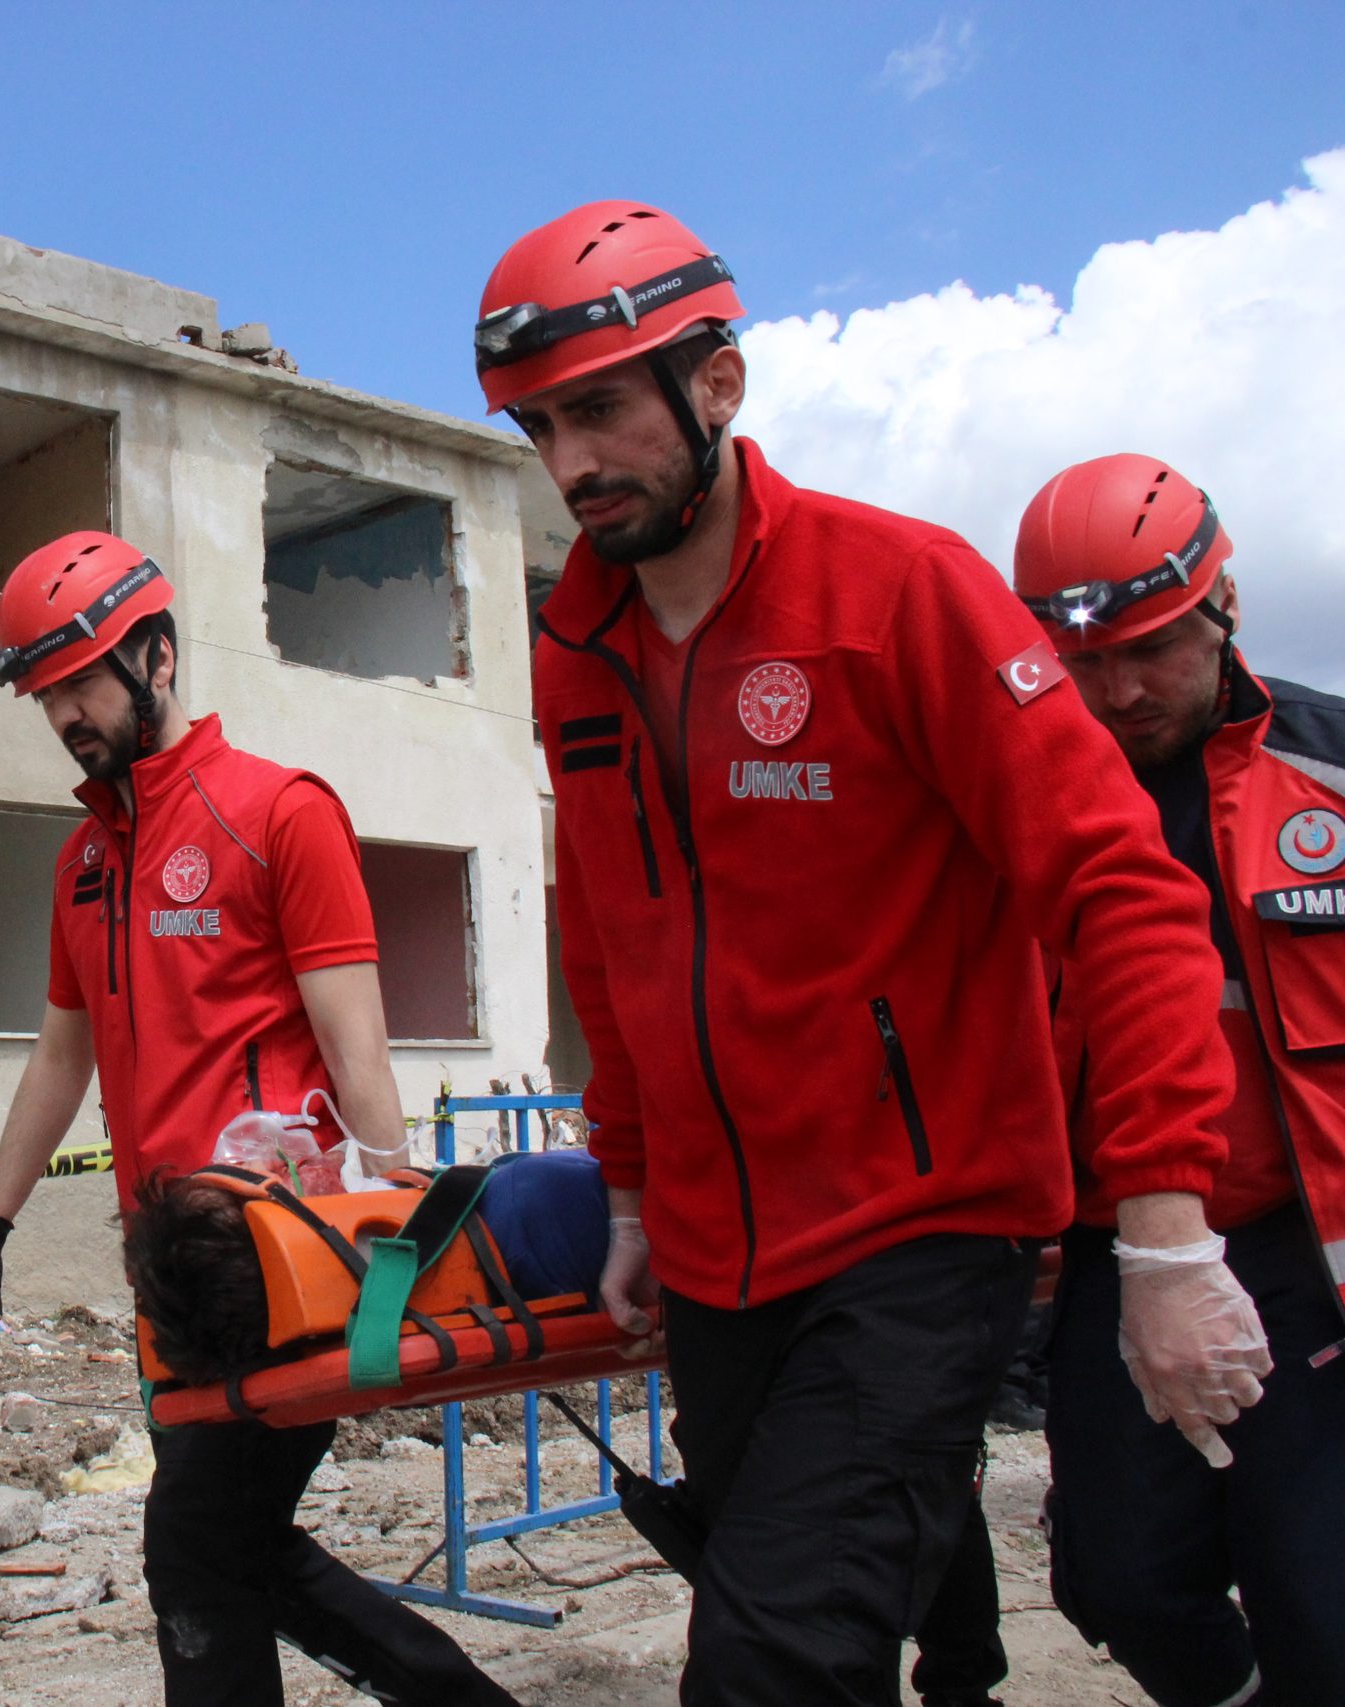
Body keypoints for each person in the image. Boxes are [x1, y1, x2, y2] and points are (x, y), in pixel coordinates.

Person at [482, 201, 1265, 1706]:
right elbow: (609, 934)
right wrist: (632, 1186)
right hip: (715, 1256)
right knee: (788, 1582)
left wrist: (1167, 1237)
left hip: (923, 1228)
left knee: (770, 1656)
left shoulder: (900, 593)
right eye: (539, 426)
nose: (571, 461)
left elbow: (1126, 890)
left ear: (716, 383)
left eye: (597, 409)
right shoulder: (573, 654)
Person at [0, 530, 520, 1707]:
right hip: (174, 1281)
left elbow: (360, 1055)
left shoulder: (279, 813)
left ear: (156, 657)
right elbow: (62, 1057)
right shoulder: (81, 866)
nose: (63, 714)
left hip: (287, 1259)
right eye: (44, 694)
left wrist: (396, 1245)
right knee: (234, 1546)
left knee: (193, 1550)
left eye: (80, 681)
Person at [1011, 455, 1345, 1707]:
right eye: (1080, 662)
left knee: (1319, 1598)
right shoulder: (1016, 807)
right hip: (1107, 1259)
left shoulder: (1331, 772)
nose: (1117, 691)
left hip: (1306, 1263)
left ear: (1227, 607)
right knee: (1121, 1580)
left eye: (1149, 648)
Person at [128, 1148, 609, 1386]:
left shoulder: (521, 1245)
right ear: (304, 1237)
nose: (297, 1162)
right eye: (279, 1176)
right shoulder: (544, 1201)